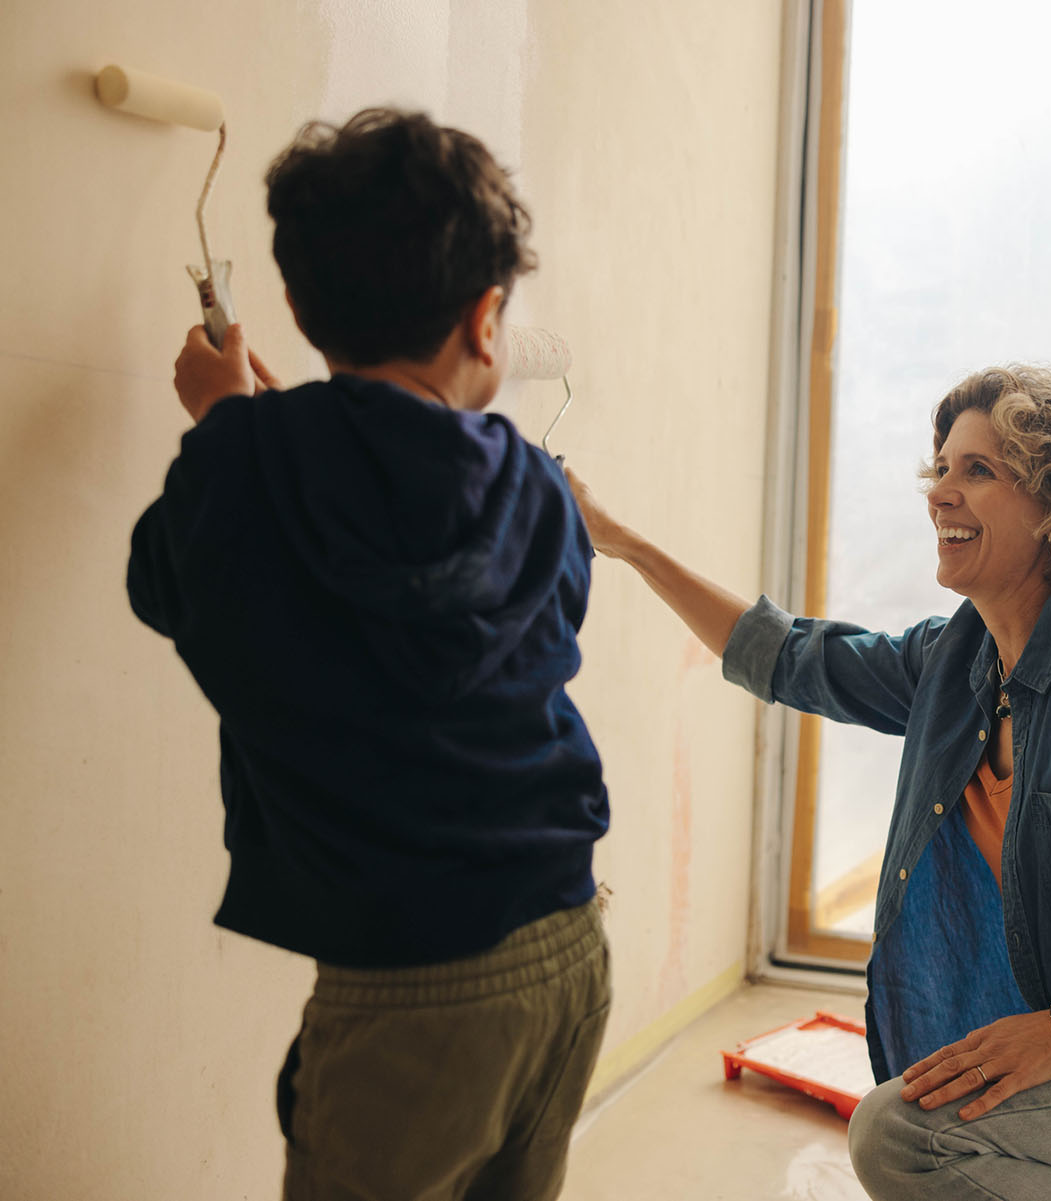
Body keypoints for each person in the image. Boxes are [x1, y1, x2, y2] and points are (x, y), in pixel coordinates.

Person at [562, 365, 1051, 1199]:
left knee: (901, 1136)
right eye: (940, 468)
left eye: (977, 470)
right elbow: (791, 656)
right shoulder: (959, 658)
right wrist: (624, 542)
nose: (940, 491)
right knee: (917, 1114)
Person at [127, 109, 611, 1201]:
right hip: (566, 933)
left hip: (407, 978)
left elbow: (166, 585)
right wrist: (262, 439)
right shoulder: (532, 482)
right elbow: (538, 607)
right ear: (487, 319)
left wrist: (225, 429)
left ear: (294, 308)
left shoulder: (248, 466)